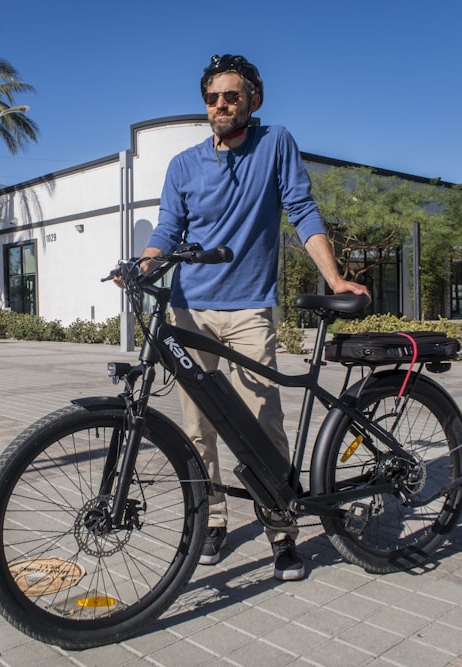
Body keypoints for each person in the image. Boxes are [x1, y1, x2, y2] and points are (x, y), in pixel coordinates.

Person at [136, 54, 369, 581]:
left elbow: (302, 210)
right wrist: (141, 265)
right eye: (213, 97)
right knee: (197, 428)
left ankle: (281, 530)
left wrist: (334, 279)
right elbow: (167, 230)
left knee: (262, 424)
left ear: (253, 100)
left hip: (248, 310)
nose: (221, 105)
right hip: (189, 310)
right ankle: (212, 521)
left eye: (232, 96)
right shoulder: (183, 165)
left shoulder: (274, 143)